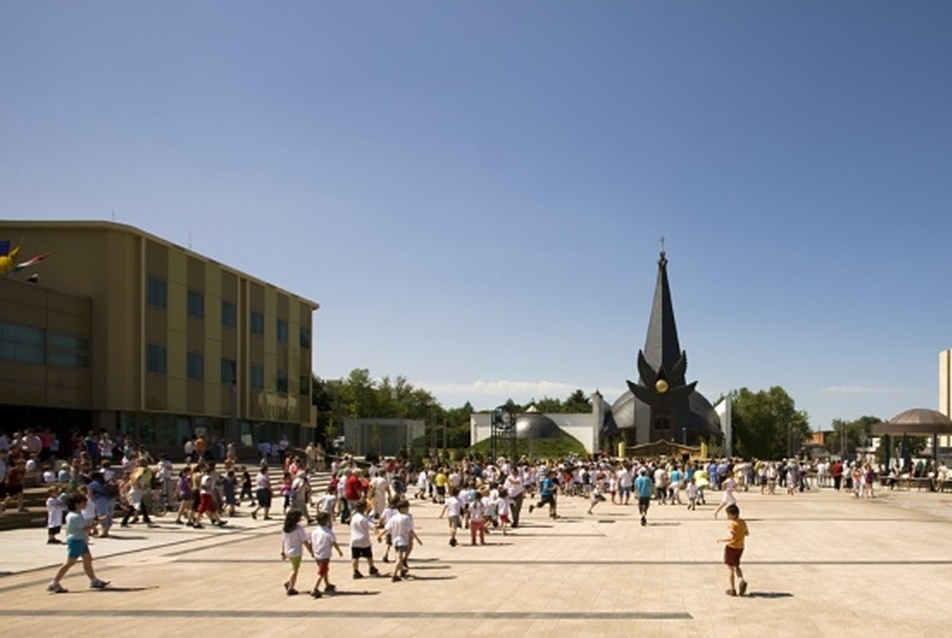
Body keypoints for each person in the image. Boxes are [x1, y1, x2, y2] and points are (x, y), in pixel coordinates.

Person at [47, 493, 109, 593]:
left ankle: (93, 580)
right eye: (83, 502)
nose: (85, 504)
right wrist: (97, 523)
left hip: (79, 540)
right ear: (77, 504)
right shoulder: (76, 516)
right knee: (70, 562)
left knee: (87, 559)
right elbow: (85, 529)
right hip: (76, 541)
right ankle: (54, 582)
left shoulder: (74, 515)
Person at [378, 499, 421, 583]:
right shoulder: (406, 518)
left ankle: (402, 570)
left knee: (398, 556)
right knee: (399, 558)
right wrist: (417, 539)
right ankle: (395, 574)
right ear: (401, 509)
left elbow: (386, 528)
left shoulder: (393, 518)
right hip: (403, 540)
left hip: (395, 540)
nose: (407, 509)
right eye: (406, 508)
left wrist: (379, 535)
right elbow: (410, 530)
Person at [716, 503, 749, 596]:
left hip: (731, 547)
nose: (727, 516)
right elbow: (747, 533)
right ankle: (741, 579)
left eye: (728, 514)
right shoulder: (743, 522)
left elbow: (732, 537)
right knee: (737, 566)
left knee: (730, 568)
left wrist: (721, 539)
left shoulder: (732, 524)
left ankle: (732, 589)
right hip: (740, 547)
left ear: (733, 515)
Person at [309, 511, 343, 598]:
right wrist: (339, 551)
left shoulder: (315, 531)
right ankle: (315, 588)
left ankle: (327, 584)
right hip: (324, 554)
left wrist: (312, 551)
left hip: (317, 553)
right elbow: (333, 542)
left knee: (324, 570)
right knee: (321, 572)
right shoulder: (328, 532)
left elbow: (311, 542)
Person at [281, 509, 313, 596]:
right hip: (296, 551)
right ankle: (291, 587)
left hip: (288, 550)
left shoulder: (285, 528)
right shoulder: (299, 528)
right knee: (295, 569)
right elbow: (304, 541)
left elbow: (283, 540)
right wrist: (311, 551)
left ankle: (289, 582)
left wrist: (283, 552)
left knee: (293, 567)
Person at [349, 500, 380, 579]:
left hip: (354, 539)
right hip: (364, 540)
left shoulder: (354, 517)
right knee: (369, 555)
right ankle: (371, 567)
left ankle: (355, 571)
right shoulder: (365, 518)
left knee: (355, 557)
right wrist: (378, 535)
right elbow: (373, 527)